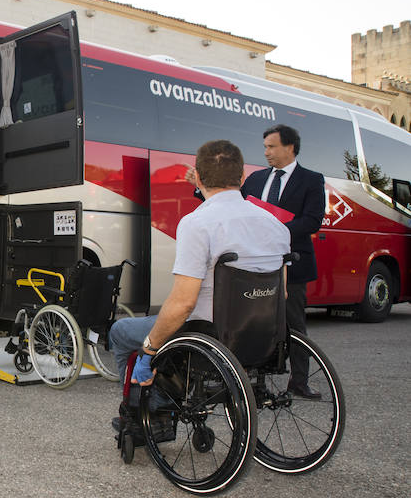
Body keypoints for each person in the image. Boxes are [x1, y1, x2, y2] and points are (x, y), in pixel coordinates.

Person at [109, 140, 290, 420]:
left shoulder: (198, 223)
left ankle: (151, 407)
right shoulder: (276, 225)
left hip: (208, 334)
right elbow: (283, 294)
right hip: (263, 334)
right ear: (242, 177)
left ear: (200, 177)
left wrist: (150, 349)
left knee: (121, 333)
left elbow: (183, 304)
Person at [187, 124, 325, 398]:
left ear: (290, 147)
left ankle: (299, 381)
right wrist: (200, 187)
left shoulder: (311, 179)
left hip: (288, 262)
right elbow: (231, 202)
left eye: (272, 147)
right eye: (264, 147)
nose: (266, 152)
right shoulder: (257, 178)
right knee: (250, 321)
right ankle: (249, 379)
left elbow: (312, 221)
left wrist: (273, 230)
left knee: (294, 324)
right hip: (252, 264)